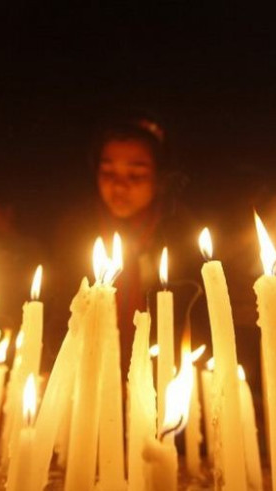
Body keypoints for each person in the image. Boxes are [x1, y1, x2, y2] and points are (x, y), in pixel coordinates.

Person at [50, 113, 205, 371]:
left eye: (136, 175)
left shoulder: (180, 230)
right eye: (108, 172)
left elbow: (196, 314)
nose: (119, 187)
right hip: (87, 369)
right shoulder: (75, 229)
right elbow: (60, 308)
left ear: (160, 178)